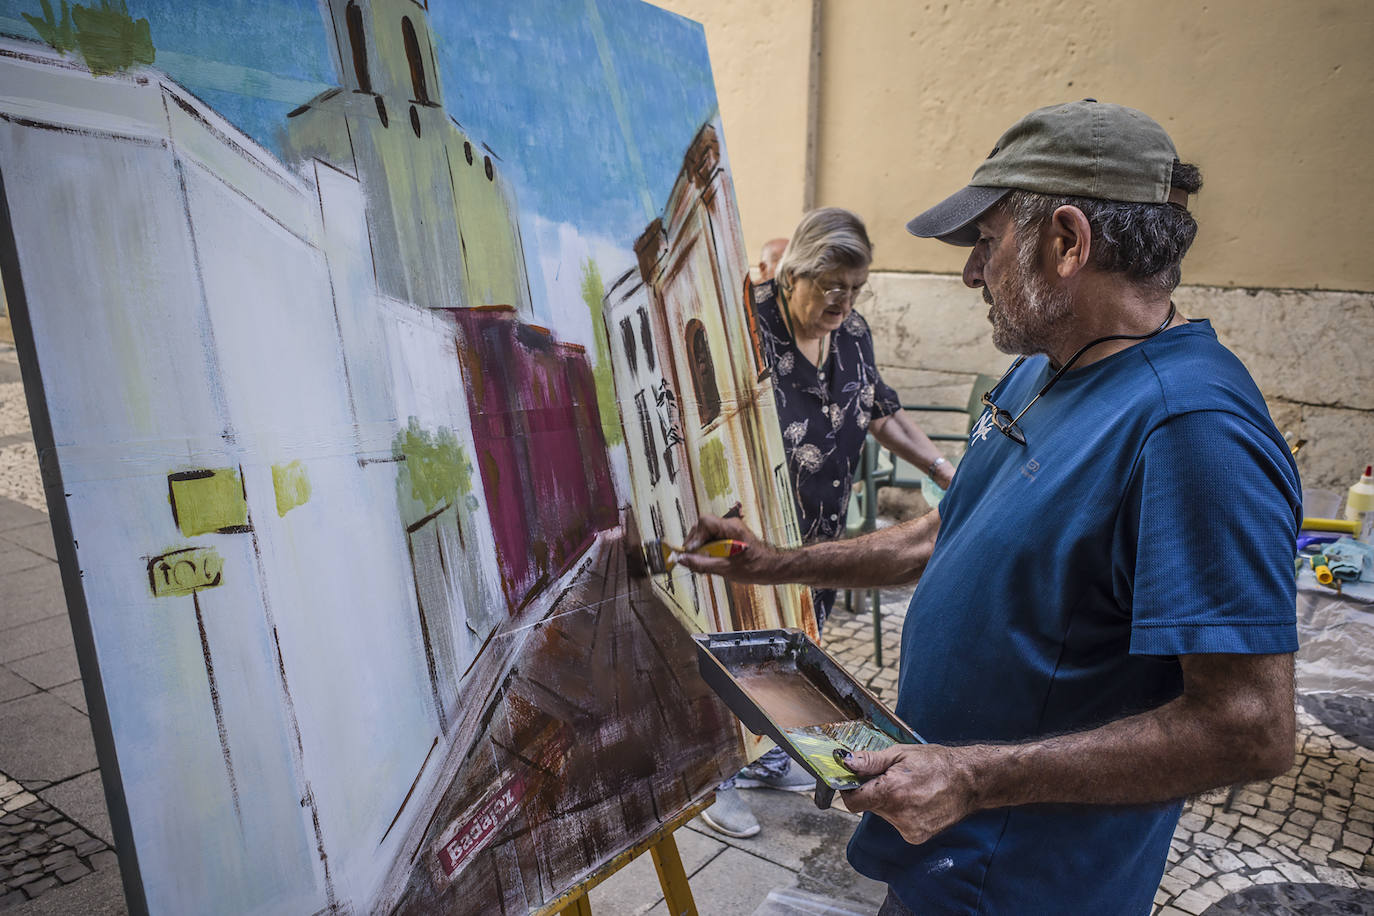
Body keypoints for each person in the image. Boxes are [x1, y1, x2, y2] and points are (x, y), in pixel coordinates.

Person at [682, 101, 1300, 913]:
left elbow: (1250, 726)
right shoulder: (1044, 370)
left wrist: (973, 778)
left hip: (1024, 886)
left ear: (1067, 243)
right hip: (939, 852)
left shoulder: (1192, 431)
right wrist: (774, 562)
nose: (971, 272)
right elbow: (944, 532)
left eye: (985, 241)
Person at [701, 208, 956, 840]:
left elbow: (878, 410)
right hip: (751, 527)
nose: (844, 300)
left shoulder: (852, 332)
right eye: (832, 285)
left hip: (816, 533)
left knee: (785, 643)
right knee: (732, 641)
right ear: (794, 276)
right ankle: (715, 777)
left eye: (856, 287)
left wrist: (944, 467)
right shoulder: (750, 325)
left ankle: (760, 762)